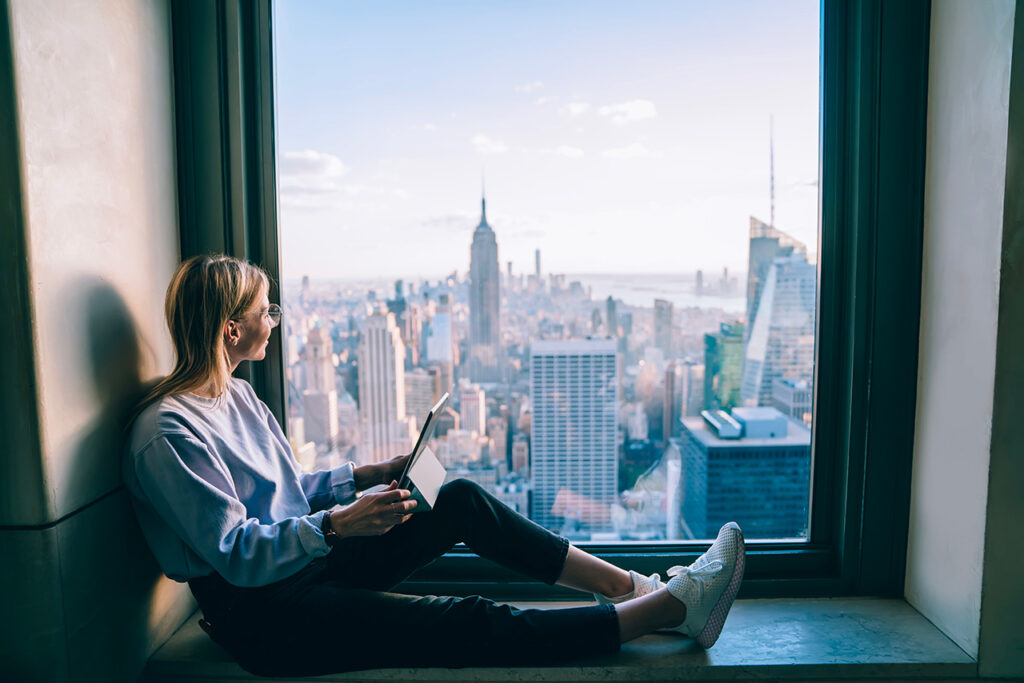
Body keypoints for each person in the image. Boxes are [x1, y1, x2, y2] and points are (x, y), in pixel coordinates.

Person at [124, 254, 745, 677]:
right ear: (233, 329)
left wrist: (363, 478)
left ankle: (630, 587)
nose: (275, 322)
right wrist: (339, 526)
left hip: (305, 567)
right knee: (460, 620)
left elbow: (285, 492)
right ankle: (671, 608)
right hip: (264, 615)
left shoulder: (235, 393)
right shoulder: (168, 433)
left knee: (458, 497)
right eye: (267, 312)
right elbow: (235, 551)